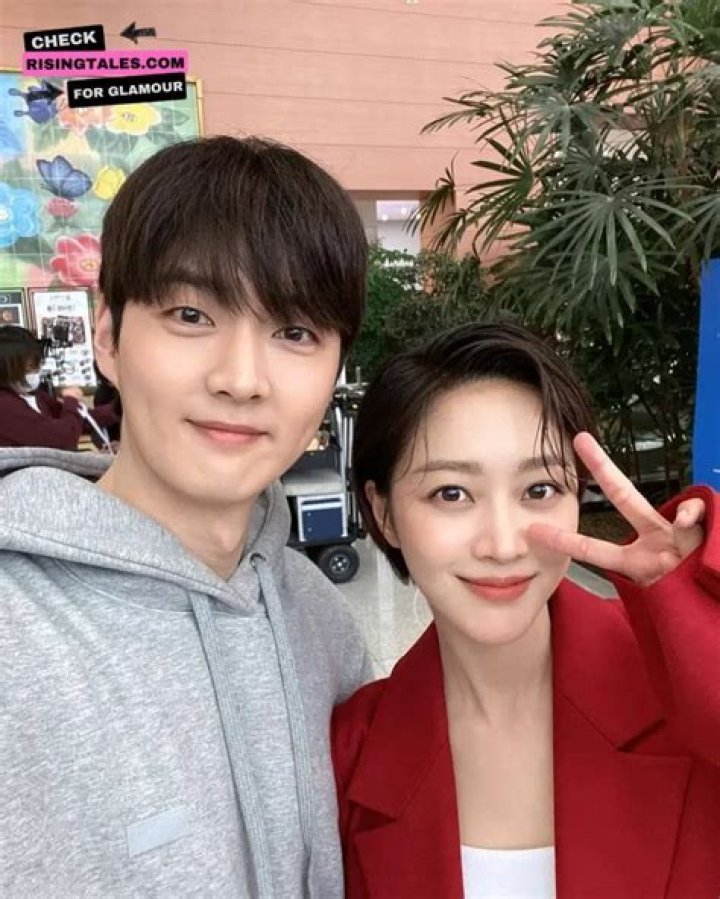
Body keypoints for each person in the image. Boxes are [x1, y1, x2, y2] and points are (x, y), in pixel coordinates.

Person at [0, 136, 372, 897]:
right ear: (108, 337)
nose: (241, 379)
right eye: (191, 314)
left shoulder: (319, 620)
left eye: (294, 332)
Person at [332, 322, 720, 898]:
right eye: (451, 493)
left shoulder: (685, 705)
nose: (504, 544)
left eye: (539, 490)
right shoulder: (351, 753)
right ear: (383, 513)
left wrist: (696, 612)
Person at [0, 325, 119, 449]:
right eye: (29, 367)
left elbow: (79, 418)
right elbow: (64, 437)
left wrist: (119, 407)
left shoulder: (36, 396)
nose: (36, 371)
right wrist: (72, 400)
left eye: (36, 364)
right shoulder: (5, 406)